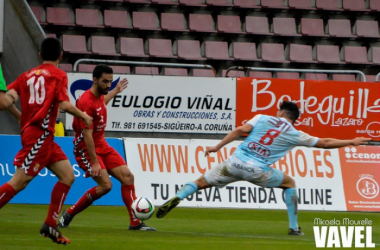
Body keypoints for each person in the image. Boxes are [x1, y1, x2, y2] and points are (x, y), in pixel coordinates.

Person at [156, 101, 370, 235]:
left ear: (279, 112)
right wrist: (350, 141)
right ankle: (294, 228)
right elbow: (324, 143)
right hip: (258, 171)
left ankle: (177, 197)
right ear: (294, 119)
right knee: (290, 183)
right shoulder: (296, 133)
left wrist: (217, 146)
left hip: (234, 162)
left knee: (200, 182)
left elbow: (240, 130)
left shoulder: (262, 117)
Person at [0, 38, 92, 244]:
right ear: (61, 55)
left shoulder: (25, 77)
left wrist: (21, 116)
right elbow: (65, 105)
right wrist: (84, 116)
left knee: (68, 175)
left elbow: (5, 102)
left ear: (40, 55)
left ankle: (50, 225)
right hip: (39, 135)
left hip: (44, 136)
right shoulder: (59, 75)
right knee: (18, 182)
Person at [58, 64, 156, 231]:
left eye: (110, 81)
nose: (108, 85)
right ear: (94, 80)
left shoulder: (99, 96)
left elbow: (103, 101)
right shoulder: (85, 102)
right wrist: (95, 163)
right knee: (106, 186)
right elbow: (87, 136)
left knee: (128, 177)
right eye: (105, 81)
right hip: (86, 149)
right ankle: (70, 213)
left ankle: (135, 223)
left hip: (102, 144)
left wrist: (116, 90)